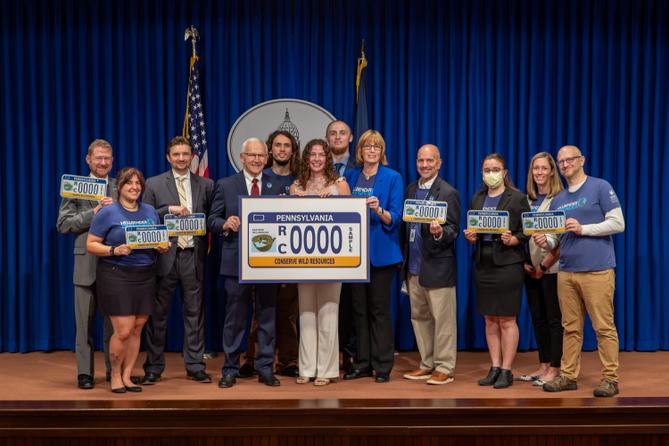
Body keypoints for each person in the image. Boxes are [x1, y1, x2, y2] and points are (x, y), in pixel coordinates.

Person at [536, 145, 625, 397]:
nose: (565, 165)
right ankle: (568, 375)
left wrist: (583, 228)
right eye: (561, 162)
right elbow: (559, 239)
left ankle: (610, 378)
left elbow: (618, 223)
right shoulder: (560, 198)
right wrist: (548, 241)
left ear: (581, 160)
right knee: (570, 327)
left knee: (603, 327)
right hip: (566, 271)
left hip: (597, 270)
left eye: (569, 160)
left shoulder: (600, 186)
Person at [207, 138, 281, 389]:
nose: (258, 160)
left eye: (261, 156)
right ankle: (230, 369)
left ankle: (265, 368)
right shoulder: (226, 185)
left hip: (268, 263)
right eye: (253, 155)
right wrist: (225, 224)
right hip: (235, 263)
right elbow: (212, 220)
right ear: (242, 157)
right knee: (235, 320)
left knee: (267, 318)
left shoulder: (276, 185)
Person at [86, 167, 167, 393]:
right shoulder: (108, 212)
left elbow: (156, 240)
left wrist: (161, 246)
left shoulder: (150, 211)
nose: (134, 187)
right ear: (119, 187)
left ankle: (128, 375)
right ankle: (114, 376)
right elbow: (91, 244)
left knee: (137, 329)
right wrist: (113, 250)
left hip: (146, 275)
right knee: (122, 330)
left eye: (138, 184)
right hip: (116, 275)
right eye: (129, 183)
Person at [141, 136, 214, 385]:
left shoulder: (205, 184)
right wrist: (167, 211)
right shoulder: (153, 184)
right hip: (164, 257)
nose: (181, 158)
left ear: (192, 156)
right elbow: (145, 218)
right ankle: (153, 366)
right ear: (168, 157)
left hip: (193, 257)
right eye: (176, 154)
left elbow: (211, 219)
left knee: (194, 314)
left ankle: (195, 365)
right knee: (157, 316)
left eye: (185, 154)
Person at [463, 153, 530, 389]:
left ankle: (507, 370)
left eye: (495, 169)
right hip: (484, 263)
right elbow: (475, 230)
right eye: (486, 169)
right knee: (490, 320)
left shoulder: (518, 198)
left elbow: (527, 231)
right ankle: (494, 366)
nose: (490, 173)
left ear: (504, 172)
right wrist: (471, 237)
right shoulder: (477, 198)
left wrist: (514, 240)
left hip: (508, 265)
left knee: (507, 320)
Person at [240, 130, 301, 379]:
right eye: (278, 145)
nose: (282, 150)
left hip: (290, 257)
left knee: (287, 311)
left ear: (292, 150)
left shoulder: (299, 181)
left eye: (287, 145)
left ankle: (288, 361)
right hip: (261, 255)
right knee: (260, 310)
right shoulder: (258, 178)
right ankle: (252, 359)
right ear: (270, 150)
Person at [343, 130, 403, 383]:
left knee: (379, 310)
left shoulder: (392, 178)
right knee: (358, 310)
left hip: (382, 254)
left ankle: (382, 366)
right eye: (367, 146)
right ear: (360, 150)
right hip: (354, 254)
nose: (371, 150)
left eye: (376, 147)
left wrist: (379, 210)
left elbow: (396, 217)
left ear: (382, 151)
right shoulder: (349, 176)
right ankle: (362, 363)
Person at [290, 139, 351, 386]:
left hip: (333, 260)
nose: (316, 158)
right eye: (312, 154)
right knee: (305, 313)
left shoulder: (340, 184)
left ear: (328, 158)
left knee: (328, 313)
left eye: (321, 155)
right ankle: (306, 367)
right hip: (304, 260)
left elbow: (351, 218)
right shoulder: (297, 185)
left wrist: (334, 201)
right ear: (306, 158)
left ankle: (326, 369)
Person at [56, 139, 116, 389]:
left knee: (114, 326)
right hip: (86, 265)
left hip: (115, 265)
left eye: (107, 158)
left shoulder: (119, 186)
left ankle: (116, 371)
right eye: (98, 158)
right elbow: (64, 224)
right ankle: (85, 373)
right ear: (88, 160)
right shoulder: (75, 188)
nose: (103, 162)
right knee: (84, 325)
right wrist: (93, 213)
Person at [401, 144, 461, 385]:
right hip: (414, 267)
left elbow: (453, 230)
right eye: (420, 161)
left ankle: (445, 367)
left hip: (437, 266)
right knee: (419, 318)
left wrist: (439, 233)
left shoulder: (448, 192)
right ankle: (427, 364)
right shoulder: (410, 189)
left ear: (439, 163)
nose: (424, 165)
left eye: (429, 161)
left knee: (443, 320)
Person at [516, 152, 563, 386]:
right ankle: (543, 365)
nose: (540, 173)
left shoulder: (560, 199)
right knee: (538, 319)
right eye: (536, 169)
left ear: (552, 171)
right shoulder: (527, 200)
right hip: (530, 270)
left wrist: (543, 266)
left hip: (552, 270)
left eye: (544, 168)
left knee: (554, 319)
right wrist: (527, 263)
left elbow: (563, 241)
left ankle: (555, 368)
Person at [326, 119, 357, 371]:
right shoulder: (317, 167)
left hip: (354, 246)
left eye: (342, 133)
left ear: (351, 137)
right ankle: (329, 354)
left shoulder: (361, 169)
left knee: (351, 303)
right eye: (333, 134)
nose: (337, 137)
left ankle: (350, 354)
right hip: (325, 250)